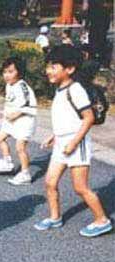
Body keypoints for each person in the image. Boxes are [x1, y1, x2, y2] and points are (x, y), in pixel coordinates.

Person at [34, 45, 112, 237]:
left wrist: (74, 143)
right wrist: (54, 136)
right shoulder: (60, 90)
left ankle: (102, 220)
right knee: (50, 182)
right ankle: (55, 217)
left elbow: (89, 118)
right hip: (62, 143)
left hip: (77, 144)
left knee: (80, 187)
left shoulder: (75, 89)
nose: (48, 70)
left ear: (69, 69)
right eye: (48, 66)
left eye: (54, 66)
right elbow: (66, 118)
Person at [0, 57, 37, 185]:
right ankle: (7, 162)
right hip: (12, 119)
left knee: (20, 147)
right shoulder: (9, 85)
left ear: (19, 72)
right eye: (5, 72)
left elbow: (29, 105)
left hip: (24, 120)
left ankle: (25, 174)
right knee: (0, 137)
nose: (7, 75)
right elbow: (11, 102)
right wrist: (4, 112)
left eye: (11, 72)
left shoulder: (22, 86)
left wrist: (15, 114)